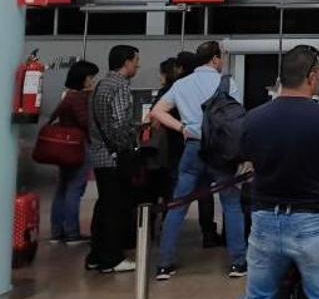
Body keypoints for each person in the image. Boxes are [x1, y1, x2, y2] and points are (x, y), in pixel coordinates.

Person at [241, 46, 319, 299]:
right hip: (314, 222)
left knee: (259, 294)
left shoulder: (253, 118)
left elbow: (248, 166)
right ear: (313, 76)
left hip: (264, 220)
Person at [150, 41, 247, 280]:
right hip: (220, 151)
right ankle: (238, 262)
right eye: (221, 57)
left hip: (192, 148)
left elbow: (156, 112)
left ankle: (165, 264)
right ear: (215, 59)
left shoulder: (181, 84)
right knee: (232, 205)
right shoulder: (226, 83)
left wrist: (182, 128)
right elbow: (236, 120)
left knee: (177, 205)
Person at [86, 45, 142, 274]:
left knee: (104, 207)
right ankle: (112, 258)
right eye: (136, 60)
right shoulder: (120, 86)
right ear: (126, 62)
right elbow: (119, 123)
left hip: (100, 155)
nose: (138, 65)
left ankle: (96, 255)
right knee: (116, 209)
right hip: (115, 157)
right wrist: (129, 145)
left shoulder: (100, 85)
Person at [159, 53, 222, 249]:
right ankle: (210, 235)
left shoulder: (176, 86)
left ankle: (165, 255)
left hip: (182, 147)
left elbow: (155, 113)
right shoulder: (218, 84)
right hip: (210, 144)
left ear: (180, 68)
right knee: (209, 194)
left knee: (177, 200)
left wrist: (181, 128)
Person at [50, 60, 98, 245]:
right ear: (84, 79)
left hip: (64, 148)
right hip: (78, 147)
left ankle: (57, 232)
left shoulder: (67, 96)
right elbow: (86, 122)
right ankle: (71, 233)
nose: (92, 81)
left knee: (62, 189)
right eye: (91, 78)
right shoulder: (78, 98)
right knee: (74, 190)